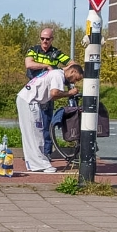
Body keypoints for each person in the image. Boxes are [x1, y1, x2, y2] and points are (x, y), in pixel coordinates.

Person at [17, 62, 83, 173]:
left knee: (33, 133)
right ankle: (40, 164)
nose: (74, 82)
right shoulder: (58, 75)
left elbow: (51, 96)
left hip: (28, 99)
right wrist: (70, 93)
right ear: (73, 71)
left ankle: (34, 163)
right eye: (76, 79)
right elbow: (54, 93)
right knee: (34, 133)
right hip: (30, 101)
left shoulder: (55, 73)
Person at [25, 28, 71, 159]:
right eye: (42, 38)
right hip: (33, 91)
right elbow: (29, 64)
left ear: (52, 39)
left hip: (47, 92)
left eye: (47, 39)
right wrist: (46, 66)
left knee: (47, 122)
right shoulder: (33, 50)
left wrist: (60, 71)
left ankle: (47, 152)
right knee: (31, 123)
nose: (44, 41)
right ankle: (33, 152)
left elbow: (72, 64)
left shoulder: (56, 53)